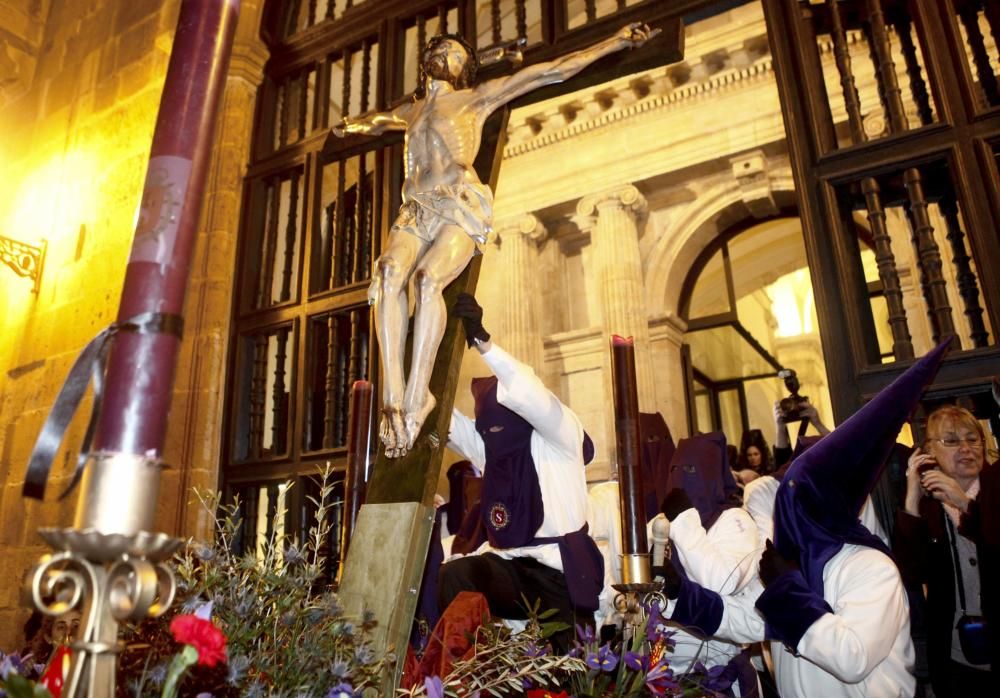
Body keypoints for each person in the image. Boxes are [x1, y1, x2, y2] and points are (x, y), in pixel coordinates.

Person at [331, 24, 657, 457]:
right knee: (388, 273)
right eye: (440, 49)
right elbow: (370, 124)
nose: (445, 55)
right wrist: (346, 128)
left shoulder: (475, 98)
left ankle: (417, 395)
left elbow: (552, 71)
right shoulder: (408, 113)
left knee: (428, 281)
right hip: (415, 208)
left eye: (455, 54)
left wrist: (616, 41)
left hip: (457, 203)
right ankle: (393, 393)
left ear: (465, 71)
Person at [664, 339, 950, 698]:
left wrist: (785, 589)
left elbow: (851, 658)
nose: (788, 511)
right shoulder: (794, 563)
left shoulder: (871, 568)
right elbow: (741, 620)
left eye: (799, 500)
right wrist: (676, 595)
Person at [437, 294, 602, 650]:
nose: (491, 434)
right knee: (456, 575)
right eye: (486, 427)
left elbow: (531, 395)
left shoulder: (560, 437)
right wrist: (428, 355)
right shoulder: (493, 449)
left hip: (560, 577)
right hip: (511, 570)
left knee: (571, 675)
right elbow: (445, 422)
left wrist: (485, 343)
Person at [894, 404, 996, 693]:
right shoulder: (929, 509)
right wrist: (912, 496)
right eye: (951, 441)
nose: (965, 447)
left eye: (972, 438)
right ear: (931, 451)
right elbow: (911, 575)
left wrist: (964, 502)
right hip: (954, 656)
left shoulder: (996, 490)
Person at [658, 432, 760, 696]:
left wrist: (684, 522)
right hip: (664, 674)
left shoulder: (734, 521)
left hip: (716, 675)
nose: (680, 477)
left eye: (691, 469)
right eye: (674, 469)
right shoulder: (661, 522)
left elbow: (719, 582)